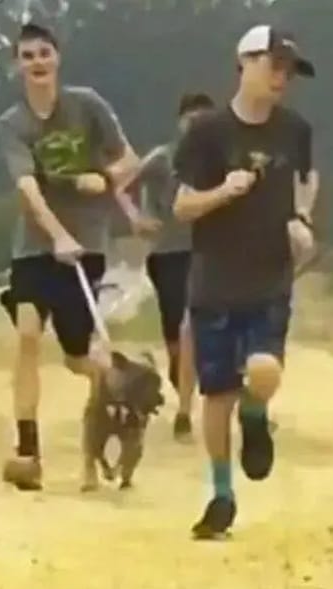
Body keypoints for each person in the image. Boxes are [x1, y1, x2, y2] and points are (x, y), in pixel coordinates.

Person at [173, 25, 317, 539]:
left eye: (289, 70)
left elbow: (306, 180)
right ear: (245, 62)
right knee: (216, 395)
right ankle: (221, 494)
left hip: (269, 277)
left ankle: (256, 418)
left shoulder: (295, 130)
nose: (281, 78)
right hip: (213, 282)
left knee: (263, 371)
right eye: (273, 65)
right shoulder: (208, 133)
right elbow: (182, 206)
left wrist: (302, 220)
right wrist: (222, 192)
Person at [0, 23, 140, 491]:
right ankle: (28, 450)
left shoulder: (88, 105)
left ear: (57, 59)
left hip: (87, 248)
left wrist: (102, 177)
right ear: (17, 65)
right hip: (36, 250)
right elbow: (27, 189)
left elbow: (129, 161)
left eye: (44, 53)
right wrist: (55, 235)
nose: (37, 62)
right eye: (27, 55)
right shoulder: (12, 125)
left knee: (82, 358)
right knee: (27, 336)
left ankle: (116, 408)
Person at [131, 91, 215, 442]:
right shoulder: (162, 158)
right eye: (190, 118)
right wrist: (138, 217)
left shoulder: (220, 163)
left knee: (192, 326)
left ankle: (184, 411)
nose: (196, 125)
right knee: (175, 337)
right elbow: (124, 185)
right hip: (167, 254)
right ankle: (181, 377)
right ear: (180, 122)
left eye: (203, 120)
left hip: (207, 253)